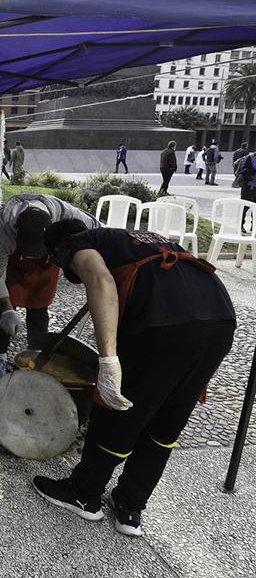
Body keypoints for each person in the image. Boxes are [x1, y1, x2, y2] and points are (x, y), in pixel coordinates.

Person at [33, 220, 235, 537]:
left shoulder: (76, 243)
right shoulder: (129, 239)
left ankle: (83, 493)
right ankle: (130, 506)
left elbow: (99, 280)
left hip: (165, 325)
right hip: (220, 319)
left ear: (59, 250)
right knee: (168, 417)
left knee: (121, 409)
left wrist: (108, 359)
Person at [0, 194, 100, 382]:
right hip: (14, 266)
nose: (32, 257)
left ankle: (35, 356)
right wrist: (7, 312)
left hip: (48, 264)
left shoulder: (68, 216)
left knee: (39, 305)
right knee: (4, 306)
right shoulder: (0, 232)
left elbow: (97, 233)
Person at [236, 149, 256, 230]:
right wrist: (253, 172)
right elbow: (243, 171)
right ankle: (240, 226)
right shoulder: (250, 158)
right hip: (248, 186)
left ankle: (254, 227)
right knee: (245, 206)